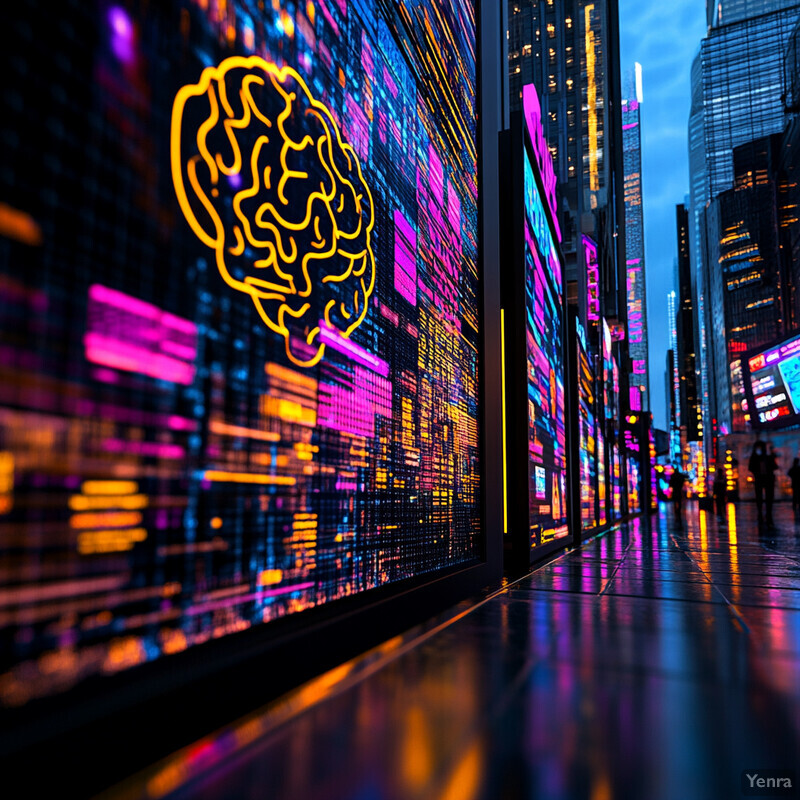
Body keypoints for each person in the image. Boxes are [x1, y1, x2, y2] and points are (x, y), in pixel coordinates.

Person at [749, 441, 778, 525]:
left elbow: (774, 466)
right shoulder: (755, 458)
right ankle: (762, 514)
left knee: (768, 497)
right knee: (760, 497)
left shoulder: (767, 457)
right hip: (760, 479)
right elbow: (751, 467)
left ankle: (767, 513)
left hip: (766, 479)